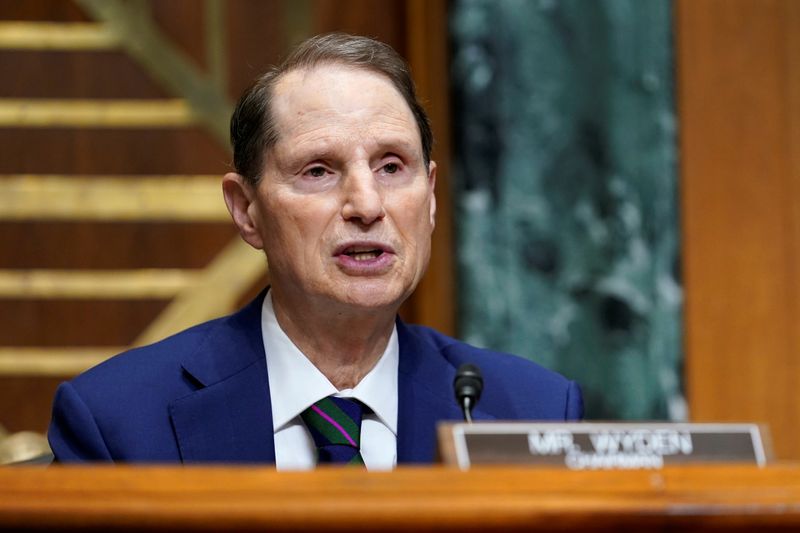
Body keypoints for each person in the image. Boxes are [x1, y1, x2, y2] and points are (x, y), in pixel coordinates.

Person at [48, 33, 583, 468]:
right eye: (319, 171)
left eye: (392, 166)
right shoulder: (118, 424)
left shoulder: (532, 413)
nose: (366, 205)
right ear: (246, 210)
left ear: (432, 195)